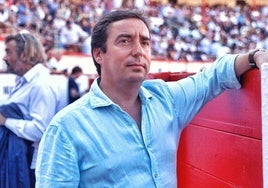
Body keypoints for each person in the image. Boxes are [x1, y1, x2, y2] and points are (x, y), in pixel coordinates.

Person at [35, 9, 268, 187]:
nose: (138, 51)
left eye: (144, 42)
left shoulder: (165, 98)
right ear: (98, 54)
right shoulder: (65, 128)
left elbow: (212, 77)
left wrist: (255, 56)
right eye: (124, 41)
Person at [0, 32, 62, 187]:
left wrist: (6, 121)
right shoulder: (25, 82)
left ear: (24, 55)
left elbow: (41, 130)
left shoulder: (41, 84)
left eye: (8, 52)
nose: (4, 58)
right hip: (20, 162)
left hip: (30, 167)